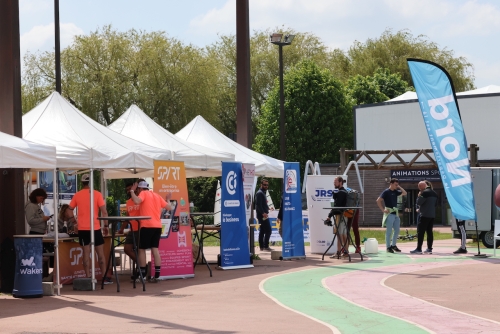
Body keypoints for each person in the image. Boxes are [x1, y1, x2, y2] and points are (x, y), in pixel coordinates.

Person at [68, 174, 112, 284]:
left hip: (83, 228)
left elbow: (69, 211)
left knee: (85, 253)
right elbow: (104, 211)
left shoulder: (77, 195)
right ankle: (104, 277)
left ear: (82, 182)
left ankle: (88, 277)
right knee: (100, 254)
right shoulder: (97, 194)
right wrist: (106, 226)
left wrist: (75, 222)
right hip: (95, 227)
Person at [129, 180, 171, 283]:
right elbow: (169, 207)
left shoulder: (143, 193)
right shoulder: (156, 195)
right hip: (157, 226)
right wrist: (168, 199)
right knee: (155, 249)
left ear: (139, 189)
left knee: (142, 249)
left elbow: (137, 201)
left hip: (146, 225)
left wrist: (131, 191)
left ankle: (142, 275)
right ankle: (157, 275)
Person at [118, 181, 141, 279]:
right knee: (127, 249)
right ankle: (142, 265)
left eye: (130, 189)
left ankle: (140, 270)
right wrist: (122, 228)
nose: (129, 191)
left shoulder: (141, 198)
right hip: (132, 229)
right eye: (127, 190)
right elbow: (127, 217)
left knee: (140, 251)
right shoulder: (128, 202)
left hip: (141, 229)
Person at [377, 178, 407, 253]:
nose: (396, 186)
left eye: (397, 184)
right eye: (395, 184)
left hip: (395, 213)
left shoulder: (396, 191)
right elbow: (378, 200)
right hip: (389, 213)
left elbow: (404, 193)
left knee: (397, 230)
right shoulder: (386, 191)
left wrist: (399, 187)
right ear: (391, 183)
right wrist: (383, 209)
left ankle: (393, 245)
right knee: (389, 231)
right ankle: (388, 247)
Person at [411, 180, 438, 254]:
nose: (419, 188)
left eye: (419, 186)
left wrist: (419, 196)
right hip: (432, 215)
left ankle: (419, 248)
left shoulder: (424, 193)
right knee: (429, 232)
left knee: (420, 232)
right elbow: (435, 204)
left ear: (423, 186)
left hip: (424, 215)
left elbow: (419, 202)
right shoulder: (434, 193)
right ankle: (429, 248)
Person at [325, 176, 349, 257]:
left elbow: (337, 206)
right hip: (343, 215)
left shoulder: (341, 192)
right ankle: (345, 251)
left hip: (340, 215)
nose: (334, 183)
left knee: (340, 234)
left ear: (340, 182)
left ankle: (339, 252)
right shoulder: (343, 192)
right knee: (343, 234)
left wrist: (329, 215)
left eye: (335, 182)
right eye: (334, 182)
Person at [255, 179, 272, 251]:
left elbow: (262, 204)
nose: (266, 186)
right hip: (262, 215)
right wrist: (263, 213)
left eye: (267, 185)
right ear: (261, 185)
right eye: (264, 185)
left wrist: (268, 208)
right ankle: (265, 246)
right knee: (268, 230)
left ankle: (262, 246)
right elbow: (258, 205)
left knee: (262, 230)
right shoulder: (259, 193)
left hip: (263, 214)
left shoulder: (263, 193)